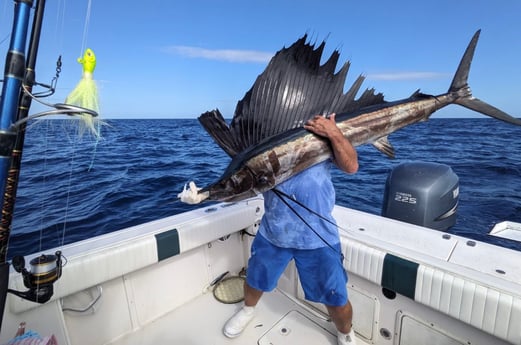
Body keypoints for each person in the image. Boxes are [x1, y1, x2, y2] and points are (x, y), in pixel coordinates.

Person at [223, 113, 359, 345]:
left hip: (318, 236)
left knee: (335, 296)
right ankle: (247, 310)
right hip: (274, 232)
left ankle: (345, 332)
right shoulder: (263, 137)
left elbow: (351, 167)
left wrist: (334, 132)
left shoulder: (321, 132)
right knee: (255, 278)